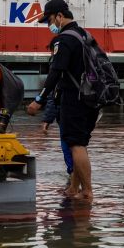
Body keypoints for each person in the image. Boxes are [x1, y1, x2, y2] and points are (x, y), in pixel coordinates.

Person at [27, 0, 100, 201]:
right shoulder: (84, 34)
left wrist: (39, 100)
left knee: (76, 145)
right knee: (76, 143)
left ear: (60, 16)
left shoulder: (64, 39)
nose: (50, 25)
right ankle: (73, 189)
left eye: (50, 19)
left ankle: (87, 192)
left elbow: (56, 72)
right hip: (89, 98)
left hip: (74, 98)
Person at [42, 40, 73, 177]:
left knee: (67, 145)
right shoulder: (74, 64)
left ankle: (73, 175)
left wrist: (47, 119)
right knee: (77, 146)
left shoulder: (57, 67)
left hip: (65, 111)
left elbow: (53, 94)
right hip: (76, 110)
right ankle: (76, 178)